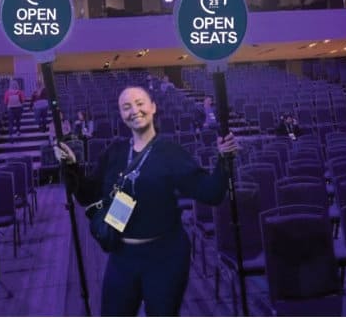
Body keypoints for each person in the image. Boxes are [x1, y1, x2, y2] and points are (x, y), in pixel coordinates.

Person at [58, 86, 238, 316]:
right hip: (122, 256)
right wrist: (72, 166)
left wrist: (224, 160)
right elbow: (87, 196)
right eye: (127, 106)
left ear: (153, 107)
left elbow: (210, 193)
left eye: (140, 103)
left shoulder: (171, 152)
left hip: (165, 256)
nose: (134, 110)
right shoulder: (115, 152)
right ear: (122, 115)